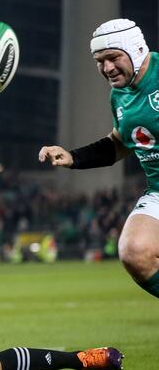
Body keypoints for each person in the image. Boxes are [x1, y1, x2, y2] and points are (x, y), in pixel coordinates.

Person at [39, 18, 159, 300]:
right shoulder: (119, 95)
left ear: (135, 49)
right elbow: (119, 143)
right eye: (99, 61)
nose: (106, 68)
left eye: (113, 57)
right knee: (134, 251)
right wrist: (72, 157)